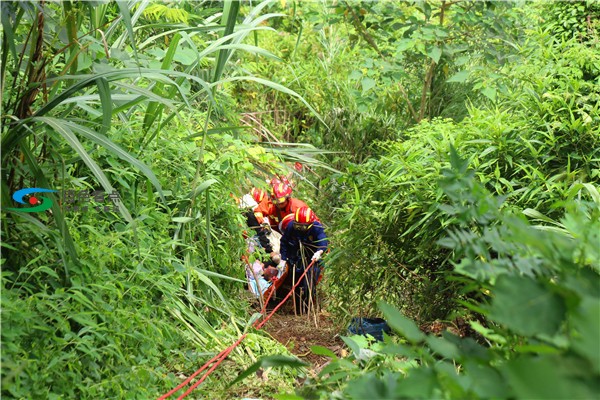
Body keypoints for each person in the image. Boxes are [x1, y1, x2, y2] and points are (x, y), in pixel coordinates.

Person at [277, 206, 328, 313]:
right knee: (295, 282)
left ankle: (308, 308)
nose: (299, 229)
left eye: (303, 227)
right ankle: (297, 308)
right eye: (297, 226)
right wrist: (283, 258)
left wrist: (319, 252)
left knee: (309, 282)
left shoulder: (316, 228)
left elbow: (323, 242)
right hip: (296, 258)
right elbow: (284, 242)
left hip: (313, 258)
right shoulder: (291, 226)